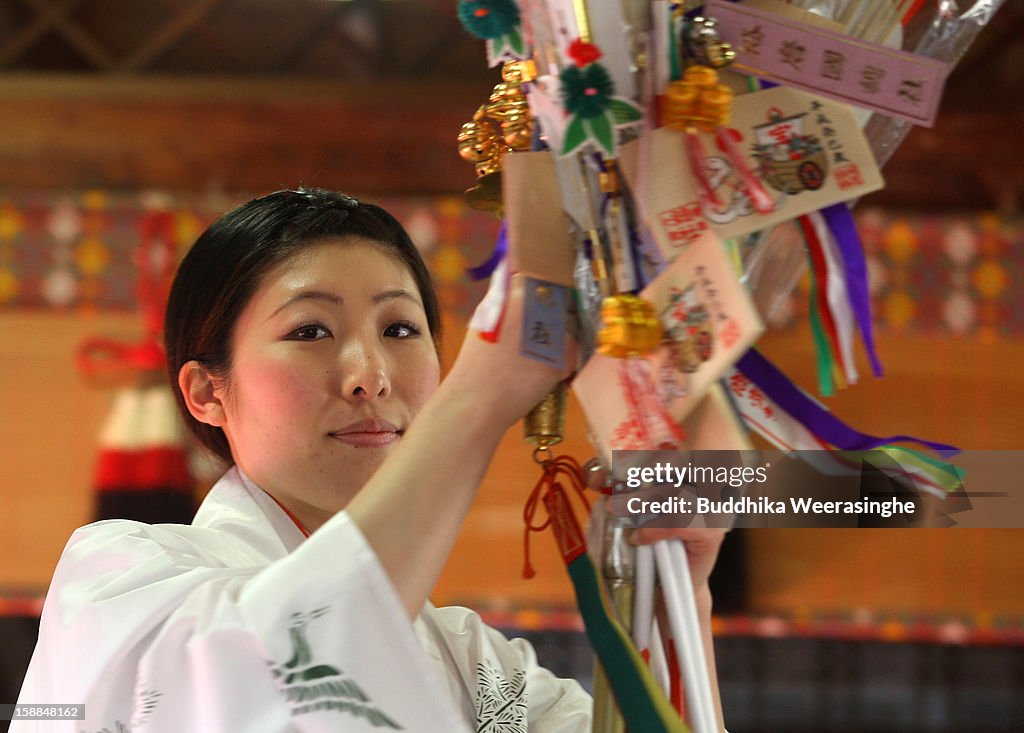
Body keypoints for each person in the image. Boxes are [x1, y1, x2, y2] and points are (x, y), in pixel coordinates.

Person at [13, 189, 726, 732]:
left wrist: (674, 593)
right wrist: (480, 400)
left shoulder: (470, 661)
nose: (370, 373)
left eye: (401, 328)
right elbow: (271, 674)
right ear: (206, 390)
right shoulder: (116, 577)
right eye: (311, 329)